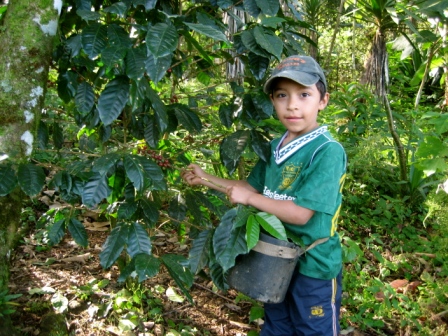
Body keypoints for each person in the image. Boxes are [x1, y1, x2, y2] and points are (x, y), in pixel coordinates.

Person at [181, 55, 346, 336]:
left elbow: (300, 213)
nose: (292, 105)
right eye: (282, 95)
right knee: (277, 325)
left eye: (304, 95)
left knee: (313, 329)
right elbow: (248, 188)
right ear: (272, 100)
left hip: (313, 266)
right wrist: (205, 179)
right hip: (274, 260)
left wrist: (250, 200)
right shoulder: (274, 146)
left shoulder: (326, 150)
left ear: (323, 100)